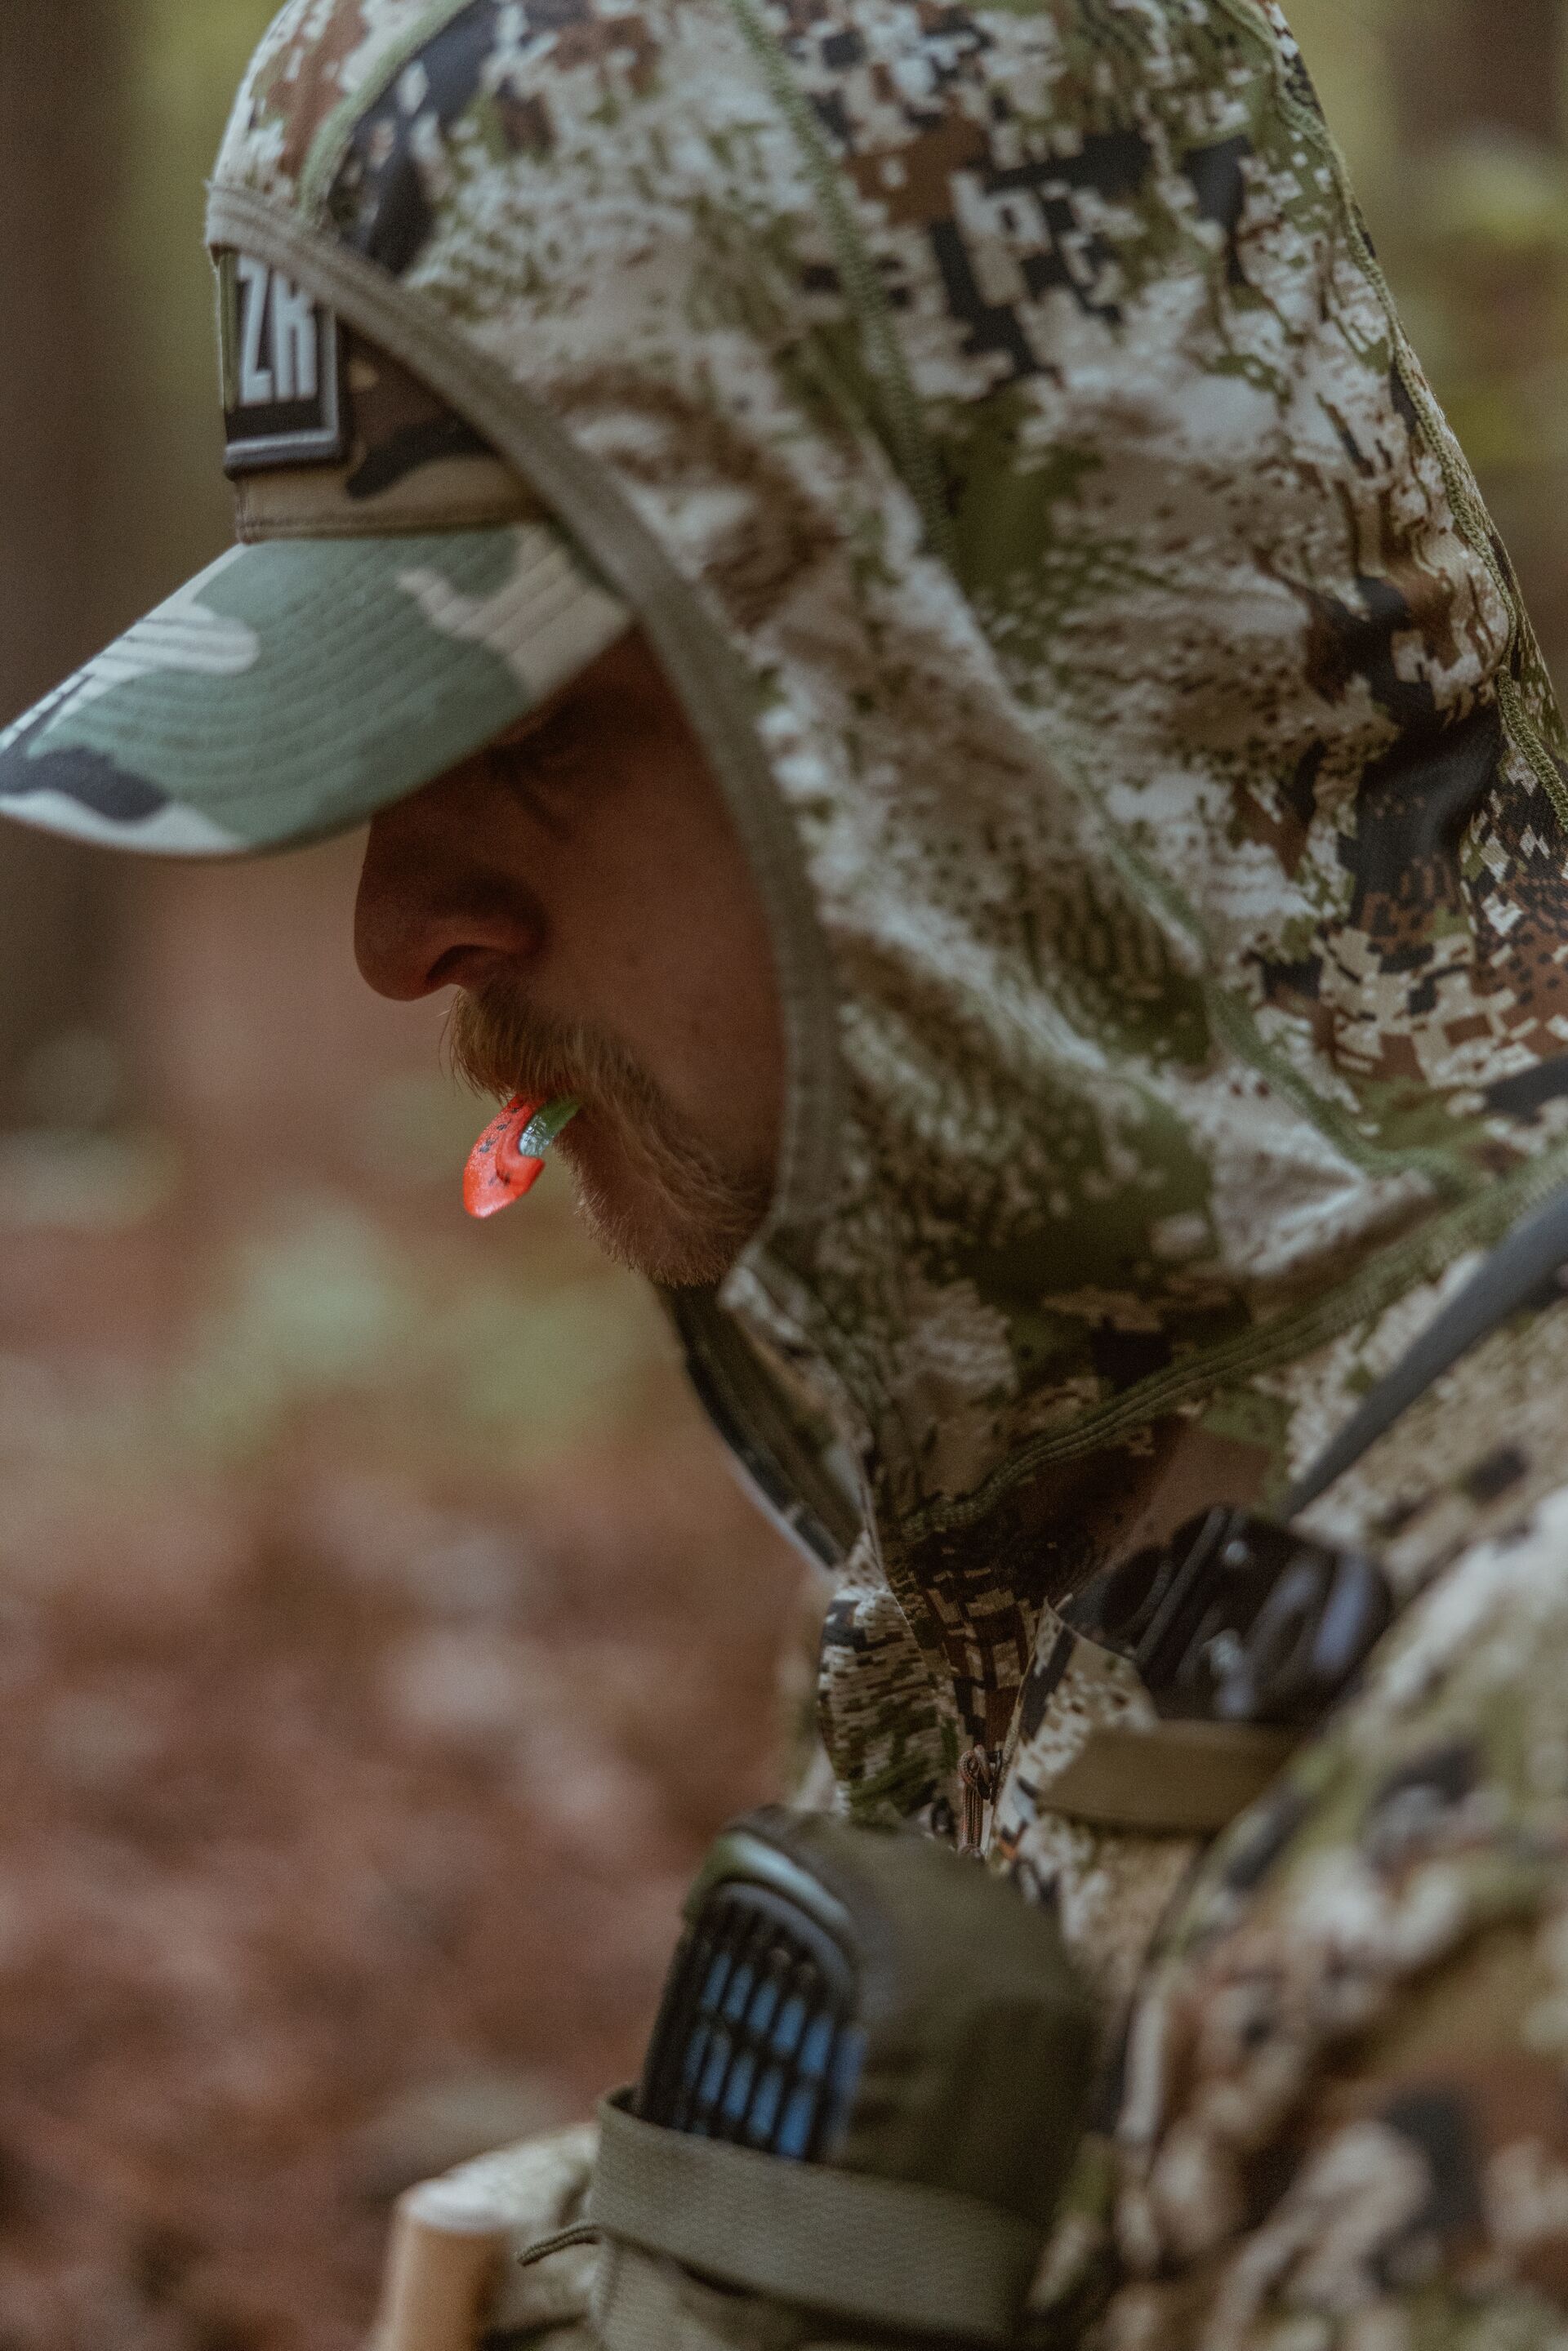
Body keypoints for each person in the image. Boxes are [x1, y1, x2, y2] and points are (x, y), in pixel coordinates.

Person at [7, 0, 1568, 2340]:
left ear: (973, 708)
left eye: (526, 734)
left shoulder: (1507, 1803)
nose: (394, 927)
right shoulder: (1083, 1461)